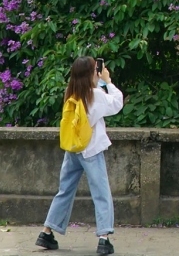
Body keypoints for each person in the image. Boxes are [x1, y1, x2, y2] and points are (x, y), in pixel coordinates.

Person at [36, 56, 124, 255]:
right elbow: (117, 103)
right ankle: (104, 238)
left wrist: (100, 83)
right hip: (91, 151)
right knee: (101, 193)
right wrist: (108, 82)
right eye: (96, 70)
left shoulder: (71, 94)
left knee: (64, 190)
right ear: (92, 73)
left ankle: (47, 231)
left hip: (73, 149)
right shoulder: (95, 95)